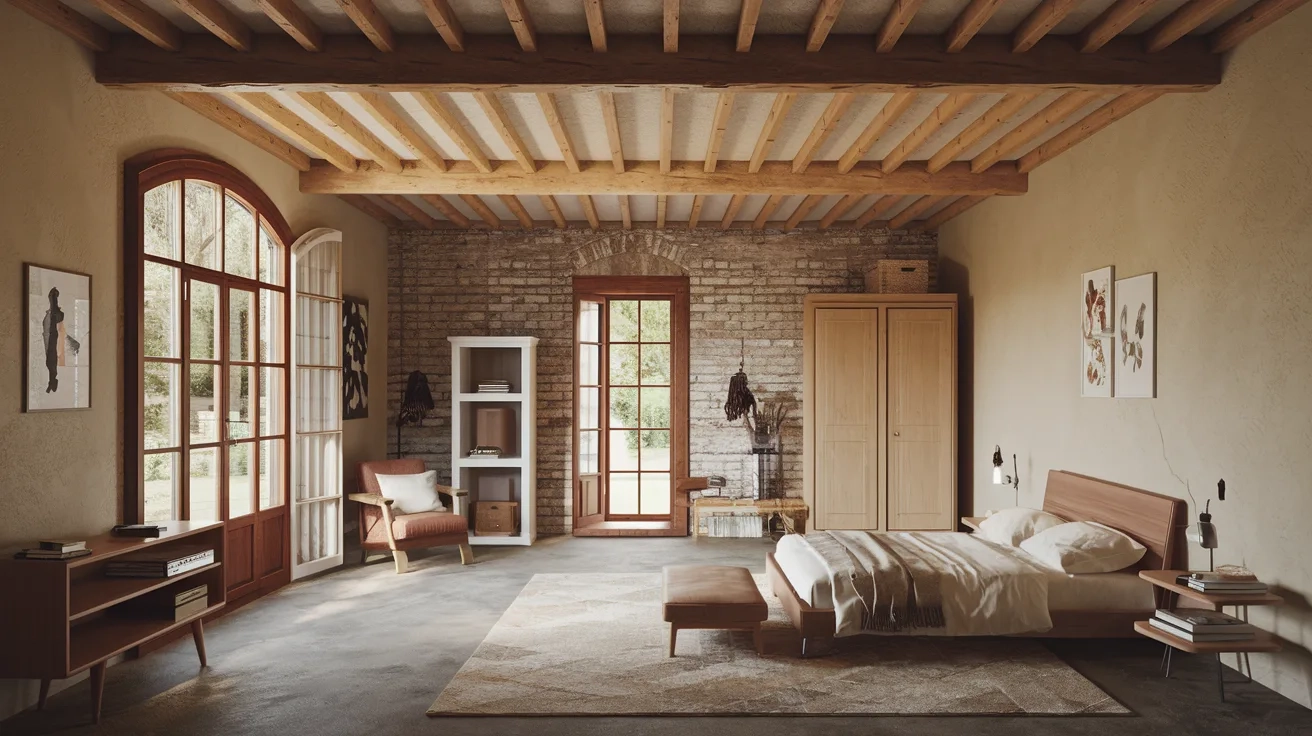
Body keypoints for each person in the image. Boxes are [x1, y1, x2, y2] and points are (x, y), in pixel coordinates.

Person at [43, 286, 63, 393]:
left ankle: (52, 382)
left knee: (50, 361)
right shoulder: (52, 314)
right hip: (48, 336)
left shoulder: (55, 314)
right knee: (50, 361)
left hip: (51, 336)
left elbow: (54, 307)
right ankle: (52, 382)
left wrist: (53, 296)